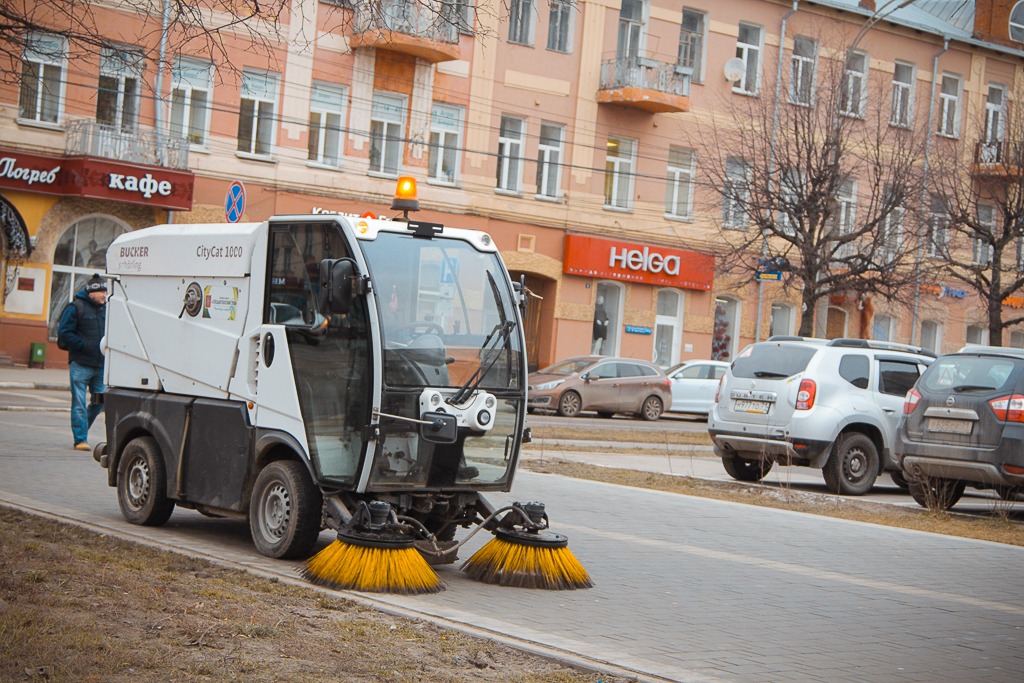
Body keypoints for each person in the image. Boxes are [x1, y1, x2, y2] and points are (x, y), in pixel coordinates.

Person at [57, 274, 107, 451]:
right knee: (78, 402)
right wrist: (83, 345)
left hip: (101, 365)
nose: (104, 294)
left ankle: (82, 429)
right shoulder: (76, 307)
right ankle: (80, 440)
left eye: (105, 290)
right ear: (92, 292)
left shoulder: (107, 309)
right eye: (101, 290)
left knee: (100, 401)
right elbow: (64, 333)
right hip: (80, 363)